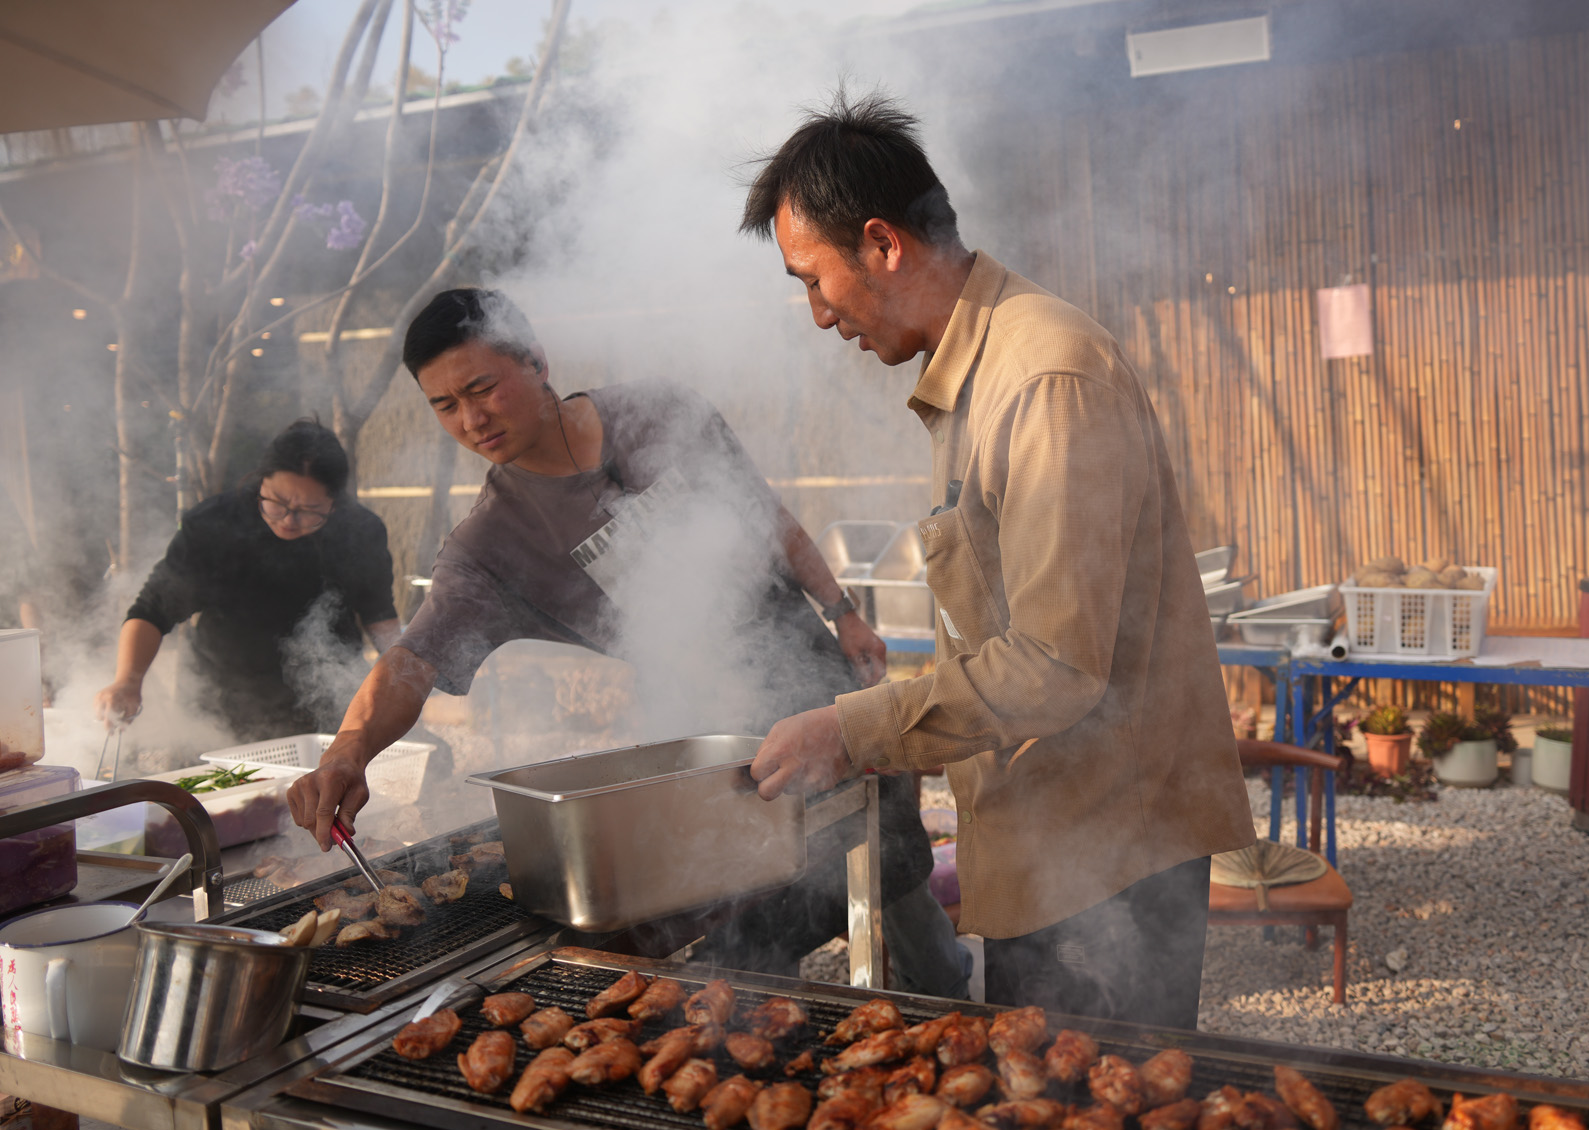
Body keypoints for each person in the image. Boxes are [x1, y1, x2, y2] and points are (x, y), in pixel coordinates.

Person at [285, 288, 969, 997]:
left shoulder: (660, 412)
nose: (471, 419)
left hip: (809, 680)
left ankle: (947, 994)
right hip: (702, 741)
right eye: (445, 406)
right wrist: (347, 752)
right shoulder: (490, 544)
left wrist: (842, 610)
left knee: (891, 866)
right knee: (754, 922)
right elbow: (412, 660)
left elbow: (763, 511)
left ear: (537, 362)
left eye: (482, 389)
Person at [740, 92, 1257, 1029]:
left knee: (1096, 1112)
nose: (817, 315)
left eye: (813, 280)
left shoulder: (1044, 378)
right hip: (1053, 832)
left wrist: (854, 730)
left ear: (882, 244)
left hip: (1107, 855)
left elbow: (1055, 664)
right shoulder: (974, 372)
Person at [97, 421, 399, 742]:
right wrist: (128, 681)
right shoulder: (215, 523)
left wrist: (405, 684)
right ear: (260, 481)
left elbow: (379, 615)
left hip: (324, 703)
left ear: (334, 501)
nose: (289, 519)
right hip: (218, 706)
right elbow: (152, 610)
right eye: (277, 502)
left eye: (309, 510)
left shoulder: (361, 531)